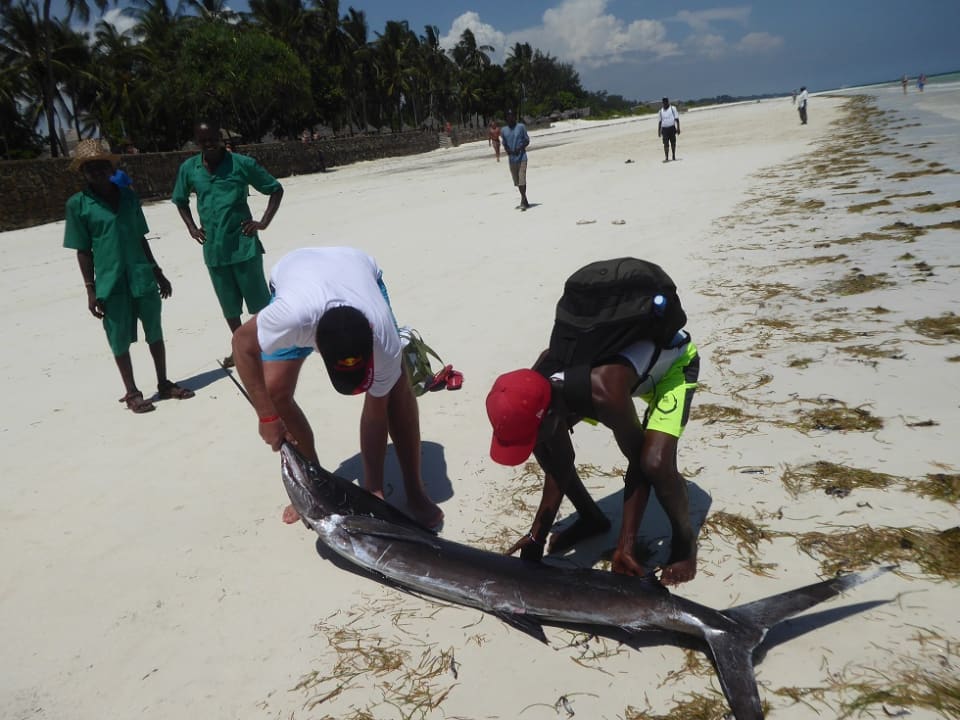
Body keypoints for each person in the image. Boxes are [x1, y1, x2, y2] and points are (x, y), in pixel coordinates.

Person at [486, 272, 701, 586]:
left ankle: (684, 543)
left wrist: (625, 547)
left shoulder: (605, 392)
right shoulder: (535, 390)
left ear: (547, 414)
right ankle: (592, 518)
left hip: (671, 368)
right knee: (549, 449)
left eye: (533, 433)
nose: (530, 446)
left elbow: (638, 465)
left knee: (655, 462)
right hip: (616, 379)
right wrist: (536, 535)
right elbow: (559, 464)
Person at [231, 246, 444, 529]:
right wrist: (267, 417)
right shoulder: (290, 320)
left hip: (358, 271)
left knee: (396, 390)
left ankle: (415, 490)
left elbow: (375, 414)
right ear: (313, 344)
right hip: (297, 275)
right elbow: (241, 344)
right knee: (275, 393)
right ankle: (312, 486)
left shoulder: (383, 340)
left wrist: (373, 491)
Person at [63, 138, 195, 413]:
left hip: (140, 274)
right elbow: (83, 251)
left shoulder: (128, 196)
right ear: (84, 173)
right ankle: (132, 391)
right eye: (91, 168)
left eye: (102, 166)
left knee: (155, 331)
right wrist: (90, 290)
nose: (97, 172)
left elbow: (140, 237)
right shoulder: (78, 205)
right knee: (118, 337)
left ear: (111, 169)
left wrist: (158, 272)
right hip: (110, 282)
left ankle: (163, 383)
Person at [172, 121, 284, 368]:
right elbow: (180, 200)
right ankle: (241, 349)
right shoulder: (189, 168)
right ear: (197, 143)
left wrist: (263, 222)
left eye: (213, 138)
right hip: (214, 249)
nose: (209, 144)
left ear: (220, 138)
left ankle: (269, 347)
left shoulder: (242, 164)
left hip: (243, 245)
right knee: (229, 307)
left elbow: (275, 189)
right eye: (203, 141)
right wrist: (191, 227)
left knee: (259, 303)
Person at [500, 109, 530, 210]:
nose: (510, 117)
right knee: (517, 181)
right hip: (512, 159)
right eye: (508, 116)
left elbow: (527, 140)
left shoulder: (521, 127)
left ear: (515, 116)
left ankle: (523, 200)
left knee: (522, 179)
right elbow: (504, 143)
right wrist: (508, 150)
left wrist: (520, 148)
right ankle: (525, 199)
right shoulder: (503, 130)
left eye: (512, 115)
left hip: (522, 157)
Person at [657, 97, 680, 162]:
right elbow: (660, 122)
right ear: (662, 102)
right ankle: (666, 157)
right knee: (665, 144)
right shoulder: (660, 111)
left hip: (672, 128)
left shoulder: (673, 108)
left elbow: (677, 119)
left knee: (673, 143)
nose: (665, 103)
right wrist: (659, 131)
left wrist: (678, 128)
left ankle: (673, 155)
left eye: (666, 101)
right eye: (664, 101)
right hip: (664, 130)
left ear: (668, 101)